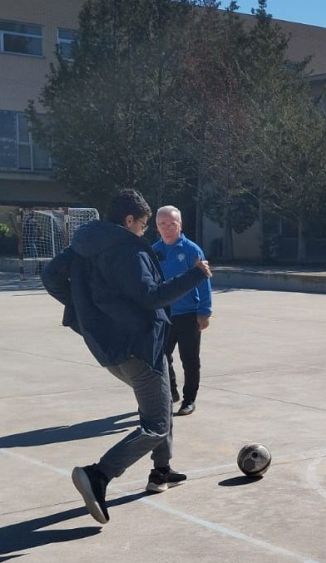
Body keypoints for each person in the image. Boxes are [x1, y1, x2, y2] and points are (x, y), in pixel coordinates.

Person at [41, 189, 212, 524]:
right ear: (129, 220)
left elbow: (50, 277)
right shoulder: (128, 249)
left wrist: (86, 313)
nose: (144, 231)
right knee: (156, 425)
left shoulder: (85, 244)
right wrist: (196, 274)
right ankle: (99, 474)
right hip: (140, 346)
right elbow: (152, 297)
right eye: (144, 224)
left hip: (111, 347)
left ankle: (161, 470)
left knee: (162, 403)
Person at [153, 205, 211, 416]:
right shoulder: (153, 251)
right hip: (163, 315)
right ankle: (171, 392)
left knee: (190, 360)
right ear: (157, 226)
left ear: (180, 225)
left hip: (189, 315)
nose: (167, 228)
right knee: (161, 357)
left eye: (172, 224)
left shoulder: (192, 250)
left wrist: (204, 311)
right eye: (163, 224)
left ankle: (189, 400)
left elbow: (204, 281)